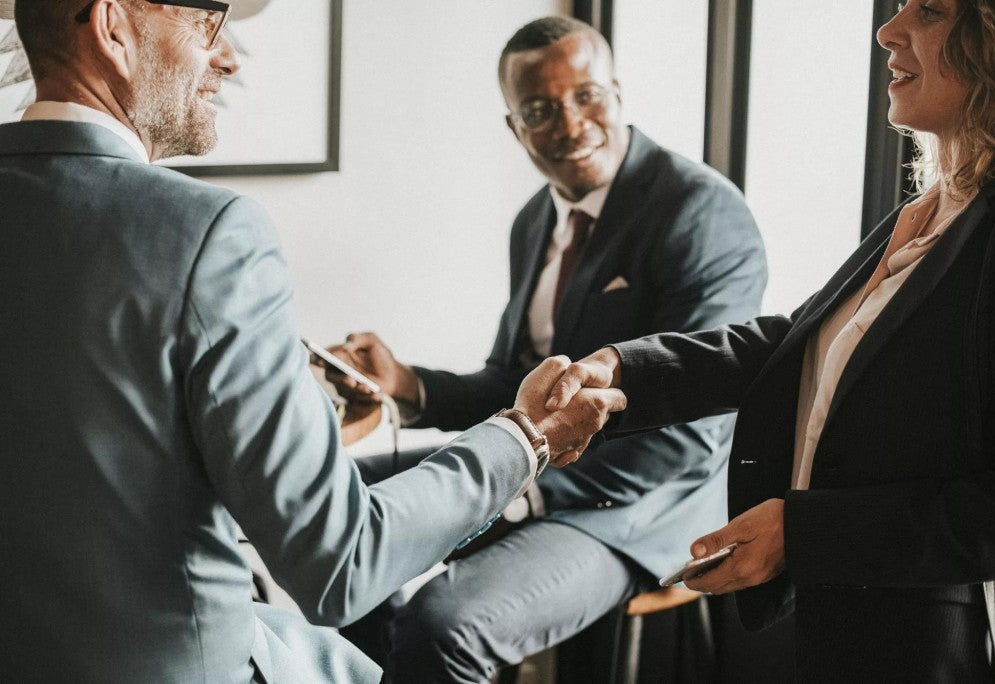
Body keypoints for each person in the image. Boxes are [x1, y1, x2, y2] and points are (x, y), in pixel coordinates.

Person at [0, 2, 626, 682]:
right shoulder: (209, 232)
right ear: (113, 24)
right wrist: (525, 437)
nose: (230, 57)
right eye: (207, 21)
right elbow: (339, 563)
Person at [548, 0, 995, 680]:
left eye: (933, 10)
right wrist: (618, 373)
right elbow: (793, 345)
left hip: (942, 652)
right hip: (851, 628)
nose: (889, 31)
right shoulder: (931, 211)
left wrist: (803, 534)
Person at [327, 15, 767, 682]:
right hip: (538, 473)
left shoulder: (701, 213)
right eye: (539, 108)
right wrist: (407, 384)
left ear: (617, 93)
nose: (568, 123)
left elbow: (690, 435)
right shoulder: (535, 221)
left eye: (586, 95)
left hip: (643, 507)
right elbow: (515, 382)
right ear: (514, 126)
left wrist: (512, 486)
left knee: (445, 624)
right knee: (341, 504)